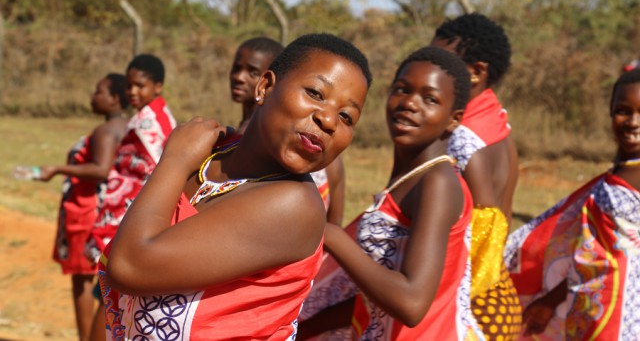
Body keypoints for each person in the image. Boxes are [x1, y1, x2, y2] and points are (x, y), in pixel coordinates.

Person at [97, 33, 372, 340]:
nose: (329, 120)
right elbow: (118, 304)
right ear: (266, 86)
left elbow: (128, 265)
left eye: (347, 116)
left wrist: (174, 161)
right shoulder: (211, 156)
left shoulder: (294, 205)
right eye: (316, 93)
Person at [298, 46, 481, 340]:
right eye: (402, 89)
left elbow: (411, 303)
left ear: (453, 119)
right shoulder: (410, 177)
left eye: (430, 99)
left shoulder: (437, 183)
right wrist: (311, 326)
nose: (410, 103)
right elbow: (376, 288)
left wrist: (330, 234)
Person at [504, 68, 640, 340]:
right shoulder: (619, 172)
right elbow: (594, 254)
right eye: (623, 110)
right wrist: (551, 300)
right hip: (590, 311)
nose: (633, 122)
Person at [431, 13, 522, 340]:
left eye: (442, 63)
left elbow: (481, 226)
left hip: (471, 304)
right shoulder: (497, 124)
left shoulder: (464, 137)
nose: (430, 71)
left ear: (477, 72)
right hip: (497, 293)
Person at [26, 74, 129, 341]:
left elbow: (101, 170)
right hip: (111, 211)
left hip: (87, 211)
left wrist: (57, 169)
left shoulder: (105, 131)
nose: (93, 96)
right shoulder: (130, 127)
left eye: (99, 91)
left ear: (115, 98)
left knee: (82, 278)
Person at [86, 54, 176, 341]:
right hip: (123, 219)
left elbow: (162, 173)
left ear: (158, 86)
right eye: (129, 85)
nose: (133, 92)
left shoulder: (154, 124)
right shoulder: (141, 118)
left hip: (133, 224)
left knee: (109, 299)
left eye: (140, 85)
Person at [230, 36, 346, 225]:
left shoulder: (258, 146)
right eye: (236, 68)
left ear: (267, 82)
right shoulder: (234, 138)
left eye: (253, 72)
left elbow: (331, 228)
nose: (239, 77)